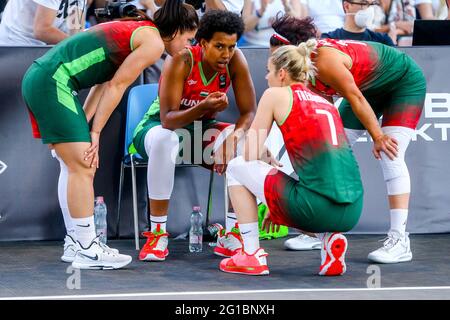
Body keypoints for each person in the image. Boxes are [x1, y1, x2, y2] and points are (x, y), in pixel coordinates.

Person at [22, 0, 199, 270]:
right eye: (189, 38)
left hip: (46, 79)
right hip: (53, 81)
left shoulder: (140, 30)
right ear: (175, 31)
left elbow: (104, 81)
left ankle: (75, 242)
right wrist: (94, 132)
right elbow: (118, 85)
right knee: (83, 165)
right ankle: (87, 247)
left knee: (72, 165)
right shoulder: (152, 44)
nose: (189, 46)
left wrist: (85, 123)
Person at [270, 15, 427, 264]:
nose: (274, 63)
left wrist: (378, 136)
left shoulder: (325, 60)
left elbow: (354, 97)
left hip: (403, 84)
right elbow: (325, 111)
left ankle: (400, 240)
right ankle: (318, 229)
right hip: (367, 90)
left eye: (276, 55)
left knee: (390, 153)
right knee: (329, 148)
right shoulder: (303, 69)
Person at [220, 39, 364, 276]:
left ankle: (251, 255)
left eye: (269, 71)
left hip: (315, 207)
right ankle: (328, 241)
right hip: (352, 210)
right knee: (303, 193)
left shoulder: (275, 94)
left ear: (283, 73)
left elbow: (248, 155)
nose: (266, 77)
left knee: (236, 166)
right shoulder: (324, 102)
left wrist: (262, 163)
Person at [130, 10, 257, 262]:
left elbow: (249, 111)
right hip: (156, 131)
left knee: (248, 142)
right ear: (203, 43)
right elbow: (168, 120)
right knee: (167, 140)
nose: (226, 54)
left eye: (231, 47)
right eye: (219, 46)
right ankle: (157, 234)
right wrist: (204, 107)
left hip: (196, 135)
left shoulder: (235, 61)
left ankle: (233, 234)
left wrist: (234, 136)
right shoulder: (182, 60)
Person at [0, 0, 92, 45]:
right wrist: (79, 44)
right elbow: (42, 30)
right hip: (13, 45)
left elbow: (76, 33)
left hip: (39, 48)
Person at [322, 0, 395, 46]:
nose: (369, 9)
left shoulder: (382, 40)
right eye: (364, 3)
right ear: (346, 6)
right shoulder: (329, 40)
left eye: (372, 4)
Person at [240, 0, 306, 47]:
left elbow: (299, 25)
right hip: (252, 45)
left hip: (282, 47)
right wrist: (260, 12)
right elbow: (244, 27)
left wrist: (286, 5)